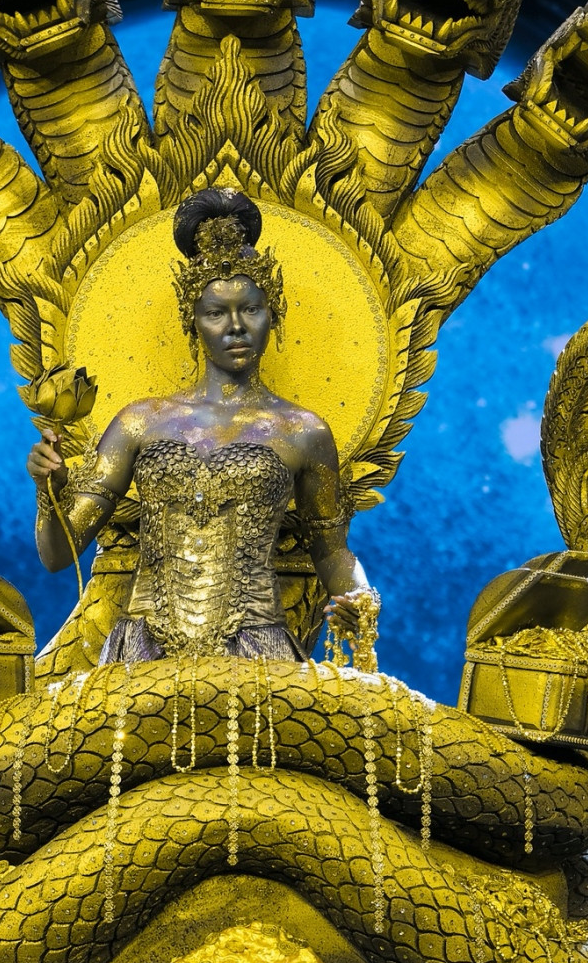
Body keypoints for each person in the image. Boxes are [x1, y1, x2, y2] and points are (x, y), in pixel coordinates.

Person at [26, 188, 376, 662]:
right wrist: (49, 492)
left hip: (258, 651)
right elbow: (58, 556)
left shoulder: (302, 432)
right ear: (192, 323)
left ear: (272, 314)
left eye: (250, 309)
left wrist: (361, 598)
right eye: (215, 313)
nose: (236, 326)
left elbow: (332, 552)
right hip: (143, 654)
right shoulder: (141, 422)